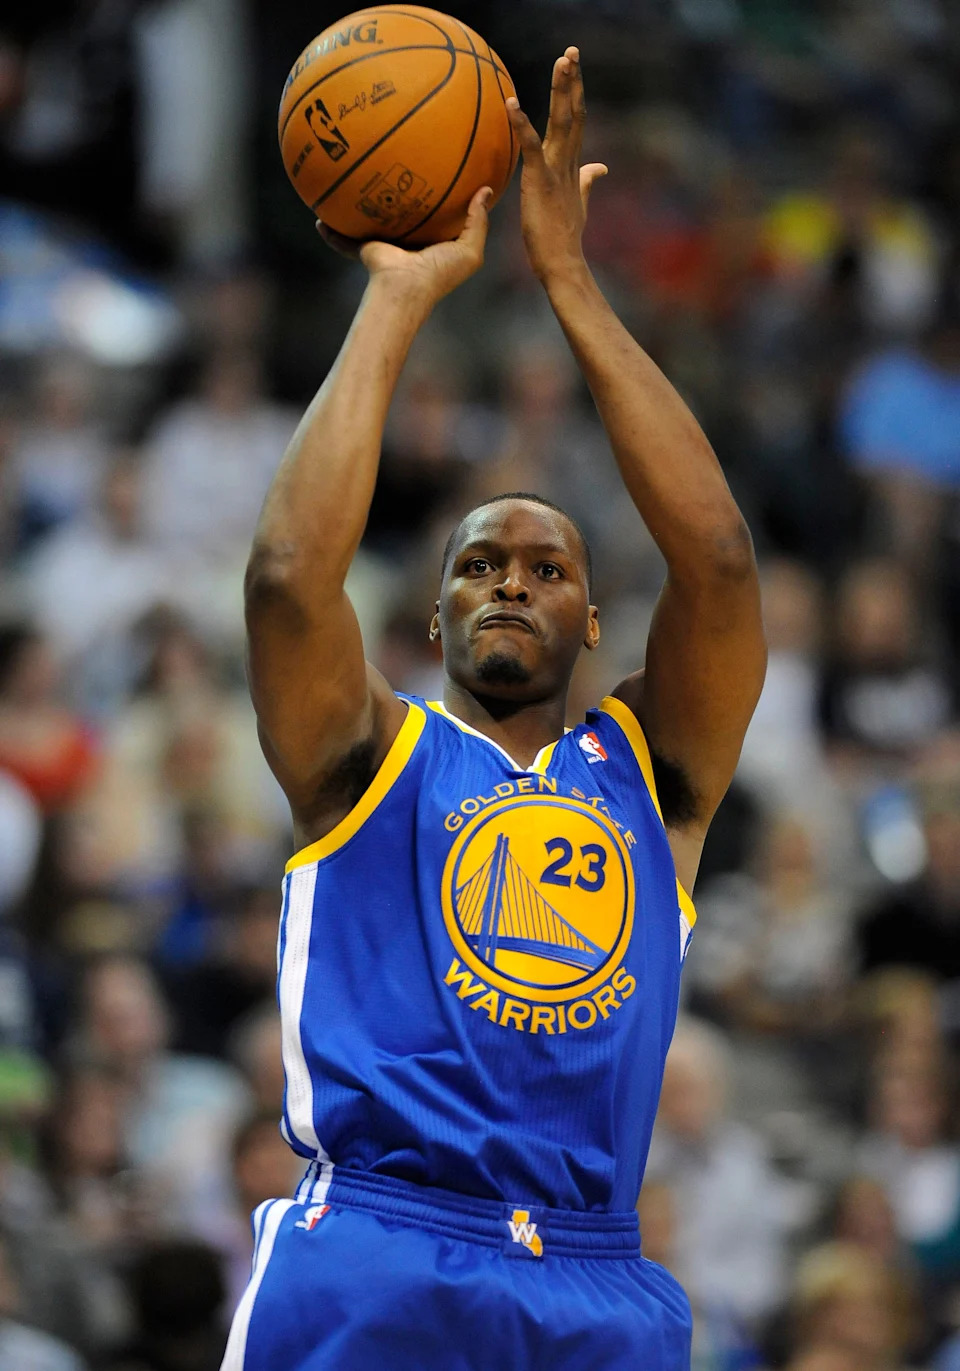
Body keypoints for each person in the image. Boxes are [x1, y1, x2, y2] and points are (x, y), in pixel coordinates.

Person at [226, 48, 765, 1371]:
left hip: (595, 1278)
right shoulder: (367, 753)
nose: (510, 580)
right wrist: (397, 298)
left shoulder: (652, 773)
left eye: (546, 567)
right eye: (476, 564)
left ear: (595, 620)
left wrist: (571, 282)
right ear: (432, 618)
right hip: (377, 1249)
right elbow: (289, 575)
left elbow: (719, 564)